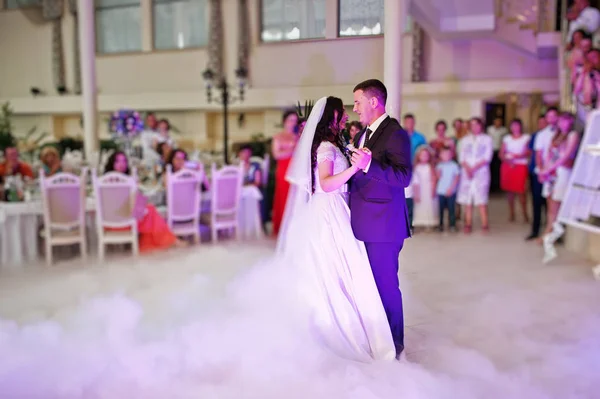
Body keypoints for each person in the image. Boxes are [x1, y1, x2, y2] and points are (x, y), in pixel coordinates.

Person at [278, 96, 397, 362]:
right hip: (329, 212)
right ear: (330, 117)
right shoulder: (324, 148)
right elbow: (327, 183)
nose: (345, 117)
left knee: (345, 270)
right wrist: (355, 168)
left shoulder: (333, 144)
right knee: (335, 270)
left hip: (337, 209)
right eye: (340, 113)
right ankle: (336, 330)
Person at [350, 79, 412, 359]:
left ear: (374, 101)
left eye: (358, 102)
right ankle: (376, 336)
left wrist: (369, 165)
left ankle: (394, 344)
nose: (355, 108)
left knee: (386, 285)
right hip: (364, 221)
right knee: (368, 284)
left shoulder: (395, 133)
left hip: (384, 224)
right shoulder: (361, 135)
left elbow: (403, 176)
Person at [456, 117, 494, 233]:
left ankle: (485, 224)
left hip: (480, 172)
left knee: (481, 199)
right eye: (472, 125)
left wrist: (474, 168)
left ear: (481, 126)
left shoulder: (487, 139)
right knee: (468, 200)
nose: (474, 127)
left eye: (476, 125)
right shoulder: (464, 140)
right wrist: (468, 169)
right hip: (467, 172)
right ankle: (468, 224)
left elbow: (487, 157)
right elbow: (461, 157)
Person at [271, 110, 299, 236]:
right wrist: (292, 151)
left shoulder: (298, 136)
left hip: (295, 168)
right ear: (284, 121)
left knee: (294, 197)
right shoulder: (278, 137)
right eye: (290, 120)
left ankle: (293, 227)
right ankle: (281, 227)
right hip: (283, 169)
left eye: (294, 120)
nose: (292, 123)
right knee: (283, 196)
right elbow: (276, 155)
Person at [499, 118, 531, 222]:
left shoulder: (526, 137)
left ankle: (525, 213)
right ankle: (511, 213)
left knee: (522, 191)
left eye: (517, 125)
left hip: (520, 165)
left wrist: (516, 157)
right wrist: (509, 161)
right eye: (513, 125)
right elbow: (501, 154)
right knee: (510, 192)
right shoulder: (507, 138)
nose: (515, 128)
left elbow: (528, 152)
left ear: (520, 126)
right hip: (508, 166)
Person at [436, 146, 460, 232]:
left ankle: (452, 225)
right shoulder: (439, 165)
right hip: (440, 191)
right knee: (440, 209)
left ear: (451, 155)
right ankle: (440, 225)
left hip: (451, 191)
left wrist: (451, 188)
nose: (446, 156)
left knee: (451, 209)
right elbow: (438, 178)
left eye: (448, 154)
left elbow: (456, 178)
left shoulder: (454, 165)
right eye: (444, 154)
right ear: (440, 155)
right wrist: (438, 174)